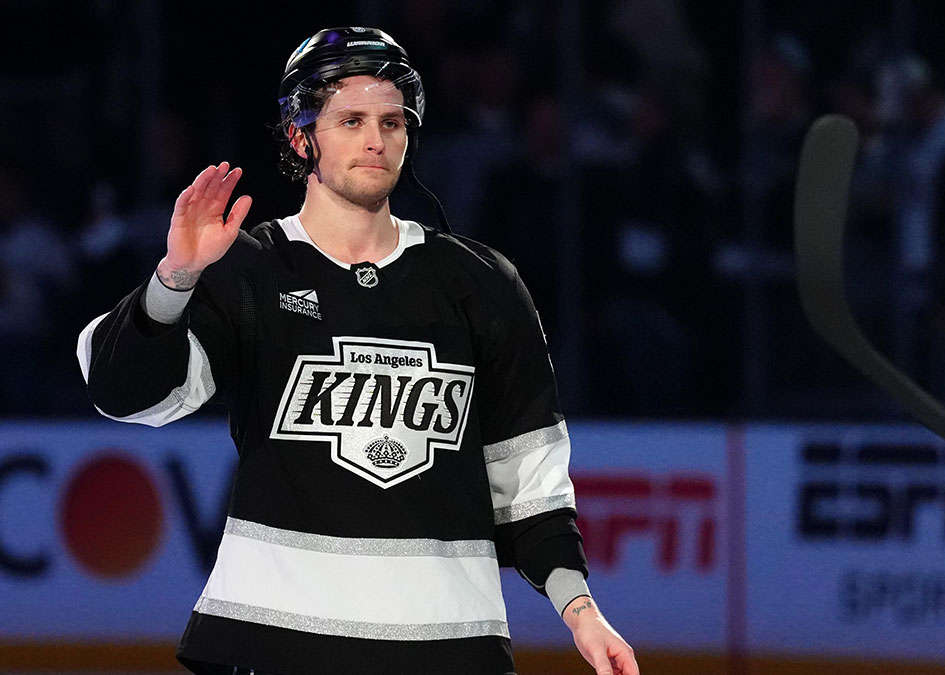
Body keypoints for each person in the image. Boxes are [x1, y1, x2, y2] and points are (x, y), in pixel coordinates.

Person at [77, 27, 638, 675]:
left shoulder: (482, 283)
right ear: (300, 137)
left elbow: (531, 481)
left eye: (392, 121)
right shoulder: (250, 268)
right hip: (274, 644)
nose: (376, 140)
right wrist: (175, 278)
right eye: (350, 120)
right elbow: (125, 394)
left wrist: (582, 610)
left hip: (451, 649)